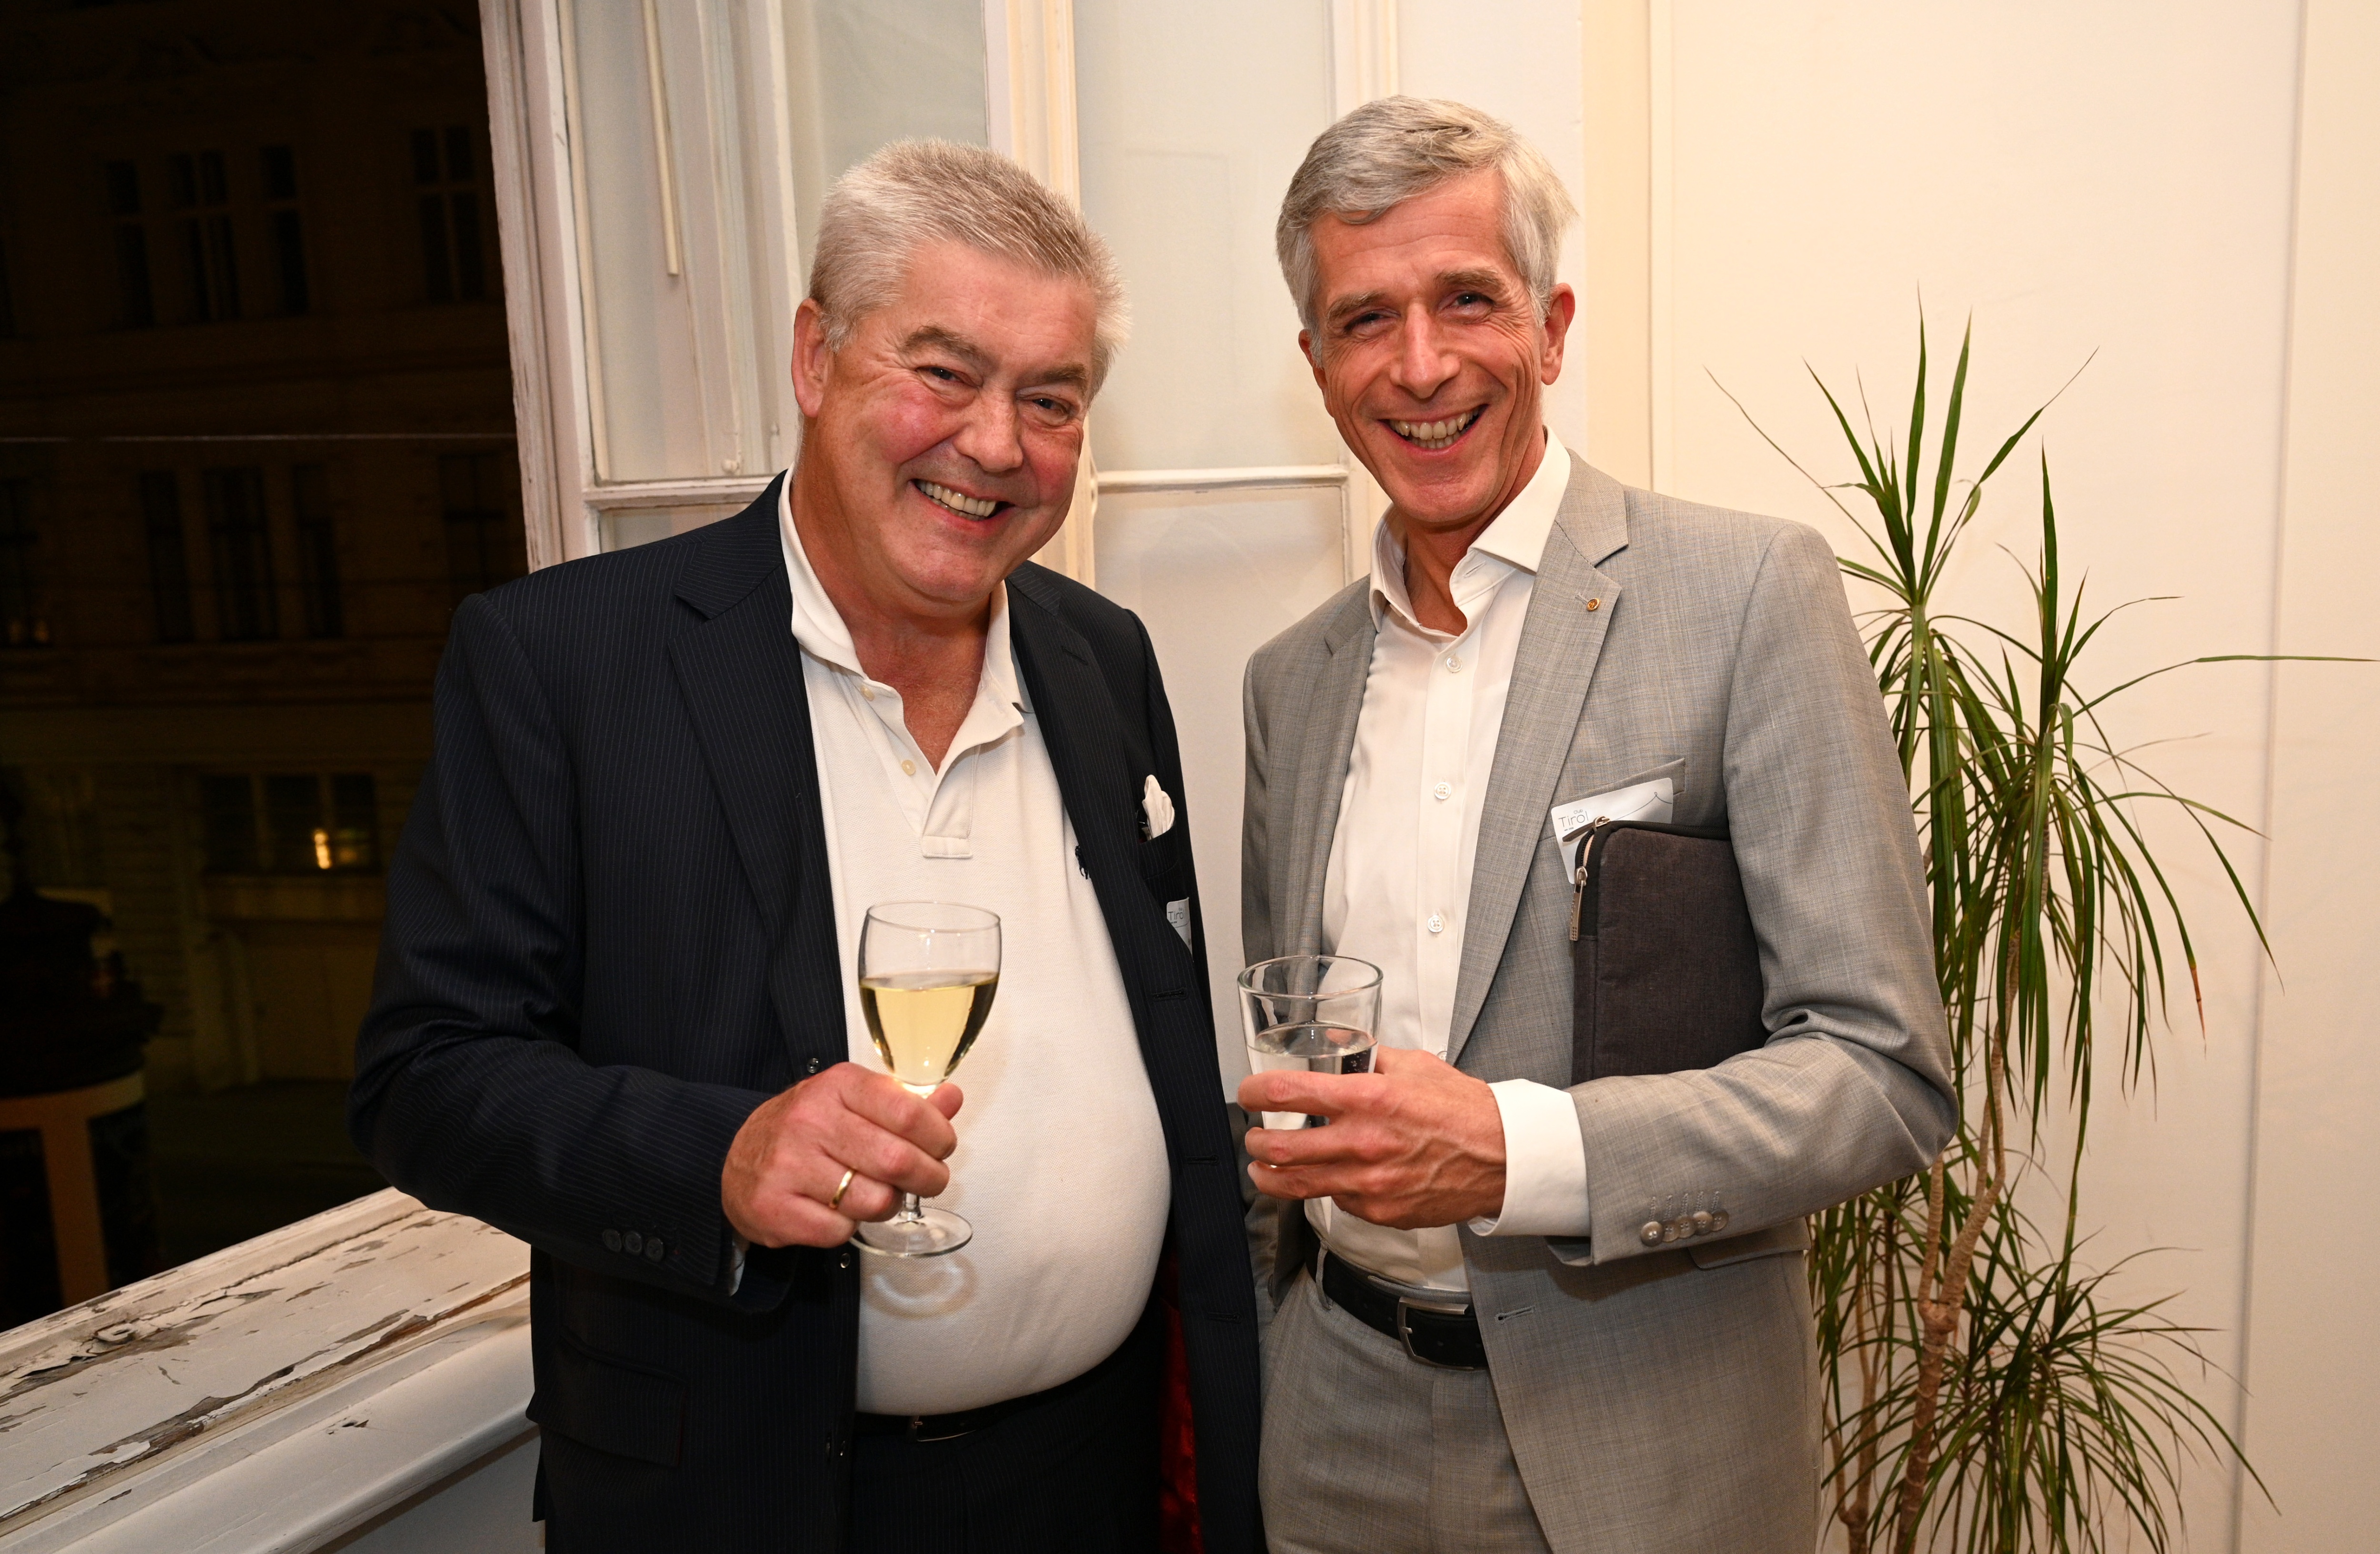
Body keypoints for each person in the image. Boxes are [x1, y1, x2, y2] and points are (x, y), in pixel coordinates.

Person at [350, 140, 1260, 1554]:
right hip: (745, 1494)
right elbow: (427, 1076)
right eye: (943, 373)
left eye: (1051, 399)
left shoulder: (1103, 658)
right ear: (814, 358)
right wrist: (716, 1156)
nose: (997, 445)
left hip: (1094, 1479)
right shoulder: (565, 662)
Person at [1237, 98, 1956, 1553]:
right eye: (1367, 319)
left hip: (1643, 1441)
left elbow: (1882, 1075)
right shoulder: (1288, 685)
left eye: (1467, 301)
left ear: (1552, 328)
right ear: (1318, 366)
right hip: (1332, 1429)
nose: (1421, 365)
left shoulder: (1749, 596)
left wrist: (1521, 1152)